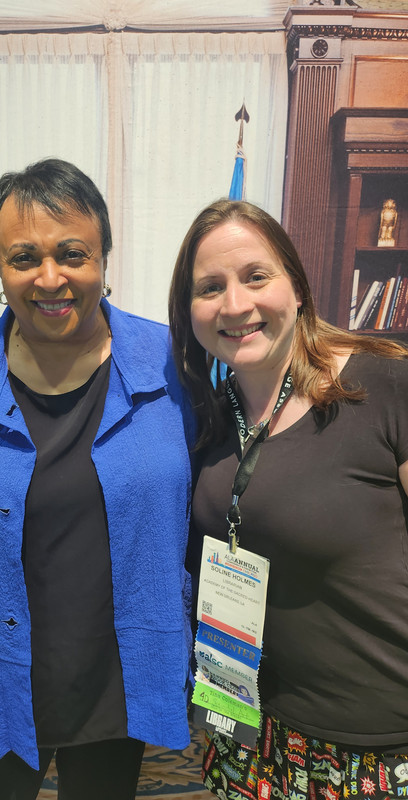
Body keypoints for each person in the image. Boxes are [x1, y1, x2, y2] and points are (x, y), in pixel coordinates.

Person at [0, 158, 195, 800]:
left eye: (73, 253)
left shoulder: (173, 366)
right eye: (24, 256)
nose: (50, 277)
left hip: (118, 686)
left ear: (105, 259)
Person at [168, 198, 408, 800]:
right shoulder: (208, 420)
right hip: (247, 733)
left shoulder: (384, 389)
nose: (235, 305)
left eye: (255, 276)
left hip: (377, 749)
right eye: (209, 287)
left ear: (297, 287)